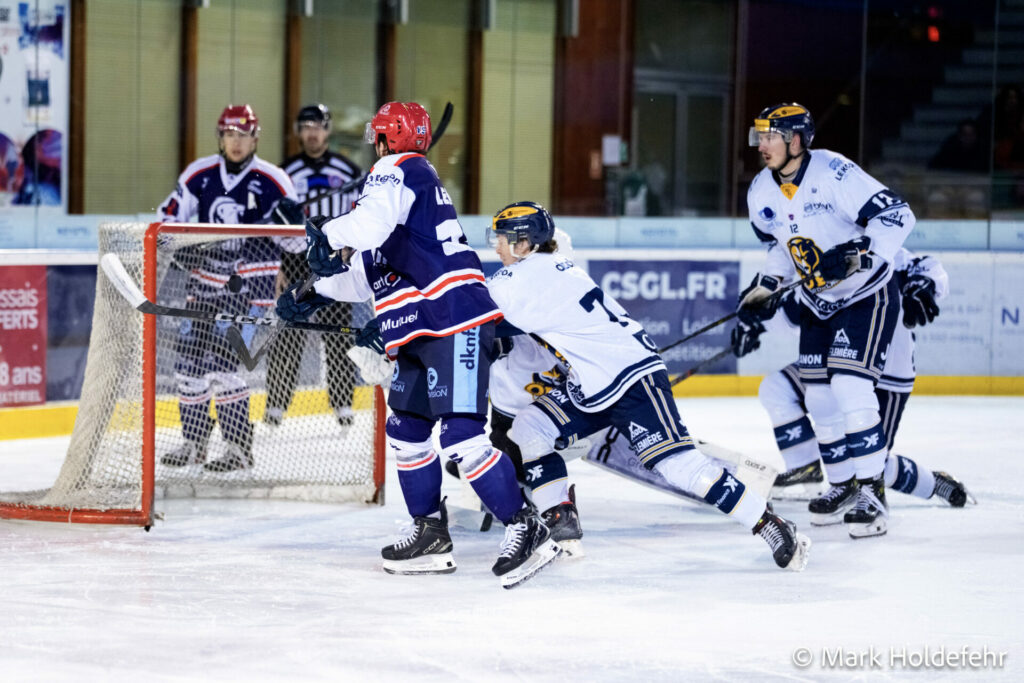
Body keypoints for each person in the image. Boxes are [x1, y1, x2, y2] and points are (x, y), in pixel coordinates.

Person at [275, 101, 561, 588]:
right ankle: (429, 533)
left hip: (454, 320)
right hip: (422, 329)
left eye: (378, 138)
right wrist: (310, 293)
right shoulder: (396, 205)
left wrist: (324, 233)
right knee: (406, 431)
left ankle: (527, 527)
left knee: (463, 438)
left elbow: (361, 231)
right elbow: (361, 275)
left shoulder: (397, 170)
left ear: (389, 139)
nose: (375, 148)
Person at [486, 201, 811, 571]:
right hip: (592, 383)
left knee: (679, 467)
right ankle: (559, 518)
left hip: (631, 379)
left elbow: (469, 314)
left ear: (524, 243)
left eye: (502, 238)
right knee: (529, 427)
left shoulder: (521, 278)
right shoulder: (555, 269)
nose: (496, 247)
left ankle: (770, 524)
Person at [743, 102, 915, 539]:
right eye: (759, 136)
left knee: (851, 386)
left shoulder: (834, 172)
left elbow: (898, 215)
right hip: (818, 301)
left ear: (796, 140)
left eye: (770, 136)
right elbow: (782, 248)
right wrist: (766, 284)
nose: (762, 145)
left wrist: (861, 254)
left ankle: (872, 493)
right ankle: (841, 485)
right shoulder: (762, 191)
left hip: (866, 295)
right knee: (819, 399)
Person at [733, 250, 973, 513]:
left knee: (869, 462)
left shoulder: (874, 248)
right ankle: (805, 468)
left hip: (887, 373)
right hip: (837, 361)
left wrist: (924, 287)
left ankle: (932, 483)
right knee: (777, 388)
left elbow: (927, 267)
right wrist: (755, 323)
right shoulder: (819, 254)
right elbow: (793, 312)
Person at [157, 104, 298, 472]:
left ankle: (238, 448)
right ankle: (194, 442)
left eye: (243, 135)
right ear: (221, 138)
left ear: (255, 138)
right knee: (188, 368)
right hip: (203, 287)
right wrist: (179, 247)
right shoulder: (199, 174)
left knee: (225, 368)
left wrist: (294, 226)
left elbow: (298, 246)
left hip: (250, 290)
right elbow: (165, 220)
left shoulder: (274, 180)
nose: (236, 142)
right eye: (230, 135)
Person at [265, 103, 363, 428]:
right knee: (288, 332)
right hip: (295, 262)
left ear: (328, 129)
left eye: (318, 126)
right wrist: (276, 265)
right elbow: (273, 224)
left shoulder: (349, 171)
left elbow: (362, 217)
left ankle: (343, 403)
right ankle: (276, 406)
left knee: (337, 335)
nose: (312, 133)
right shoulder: (284, 173)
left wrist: (350, 251)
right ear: (298, 131)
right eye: (306, 126)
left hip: (335, 261)